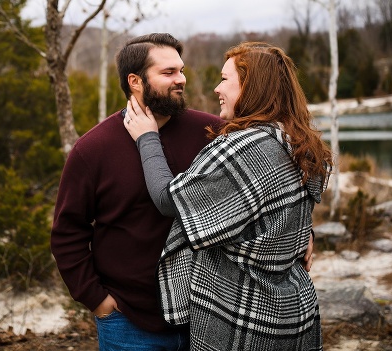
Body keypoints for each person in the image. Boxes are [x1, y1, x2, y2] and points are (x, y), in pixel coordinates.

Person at [123, 41, 330, 351]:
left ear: (251, 87)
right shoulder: (294, 138)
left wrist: (147, 138)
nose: (217, 88)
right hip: (294, 310)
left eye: (224, 79)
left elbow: (169, 200)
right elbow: (278, 210)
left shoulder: (244, 148)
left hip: (246, 316)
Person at [50, 33, 223, 351]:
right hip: (128, 321)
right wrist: (97, 299)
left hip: (207, 315)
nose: (181, 79)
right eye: (168, 72)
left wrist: (303, 228)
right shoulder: (93, 149)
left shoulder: (212, 133)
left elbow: (265, 180)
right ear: (135, 81)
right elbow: (67, 232)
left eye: (181, 70)